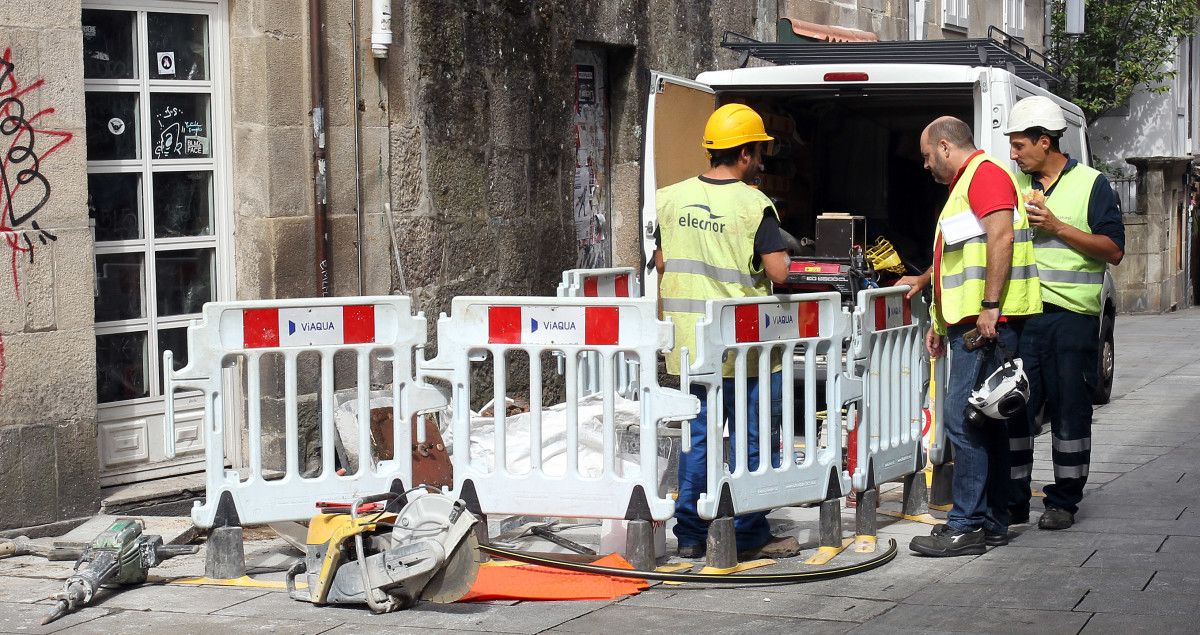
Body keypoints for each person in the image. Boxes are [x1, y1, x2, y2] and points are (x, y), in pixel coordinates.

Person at [654, 103, 799, 560]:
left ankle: (692, 534)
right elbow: (778, 273)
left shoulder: (669, 198)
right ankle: (748, 531)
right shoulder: (754, 205)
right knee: (752, 439)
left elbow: (662, 262)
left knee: (698, 440)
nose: (761, 160)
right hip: (745, 351)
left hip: (692, 346)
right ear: (745, 154)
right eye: (759, 152)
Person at [895, 116, 1041, 556]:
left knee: (964, 422)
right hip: (972, 324)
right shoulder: (971, 182)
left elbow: (1000, 238)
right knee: (986, 423)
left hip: (985, 327)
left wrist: (990, 307)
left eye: (925, 156)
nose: (924, 166)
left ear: (944, 146)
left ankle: (966, 525)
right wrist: (929, 291)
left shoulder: (984, 176)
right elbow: (964, 255)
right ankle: (992, 522)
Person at [1004, 96, 1125, 530]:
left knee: (1070, 410)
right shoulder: (1014, 184)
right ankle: (1015, 500)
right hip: (1022, 317)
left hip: (1071, 317)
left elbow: (1113, 250)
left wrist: (1058, 227)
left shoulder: (1093, 184)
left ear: (1045, 141)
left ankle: (1063, 501)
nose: (1014, 154)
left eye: (1020, 145)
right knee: (1015, 409)